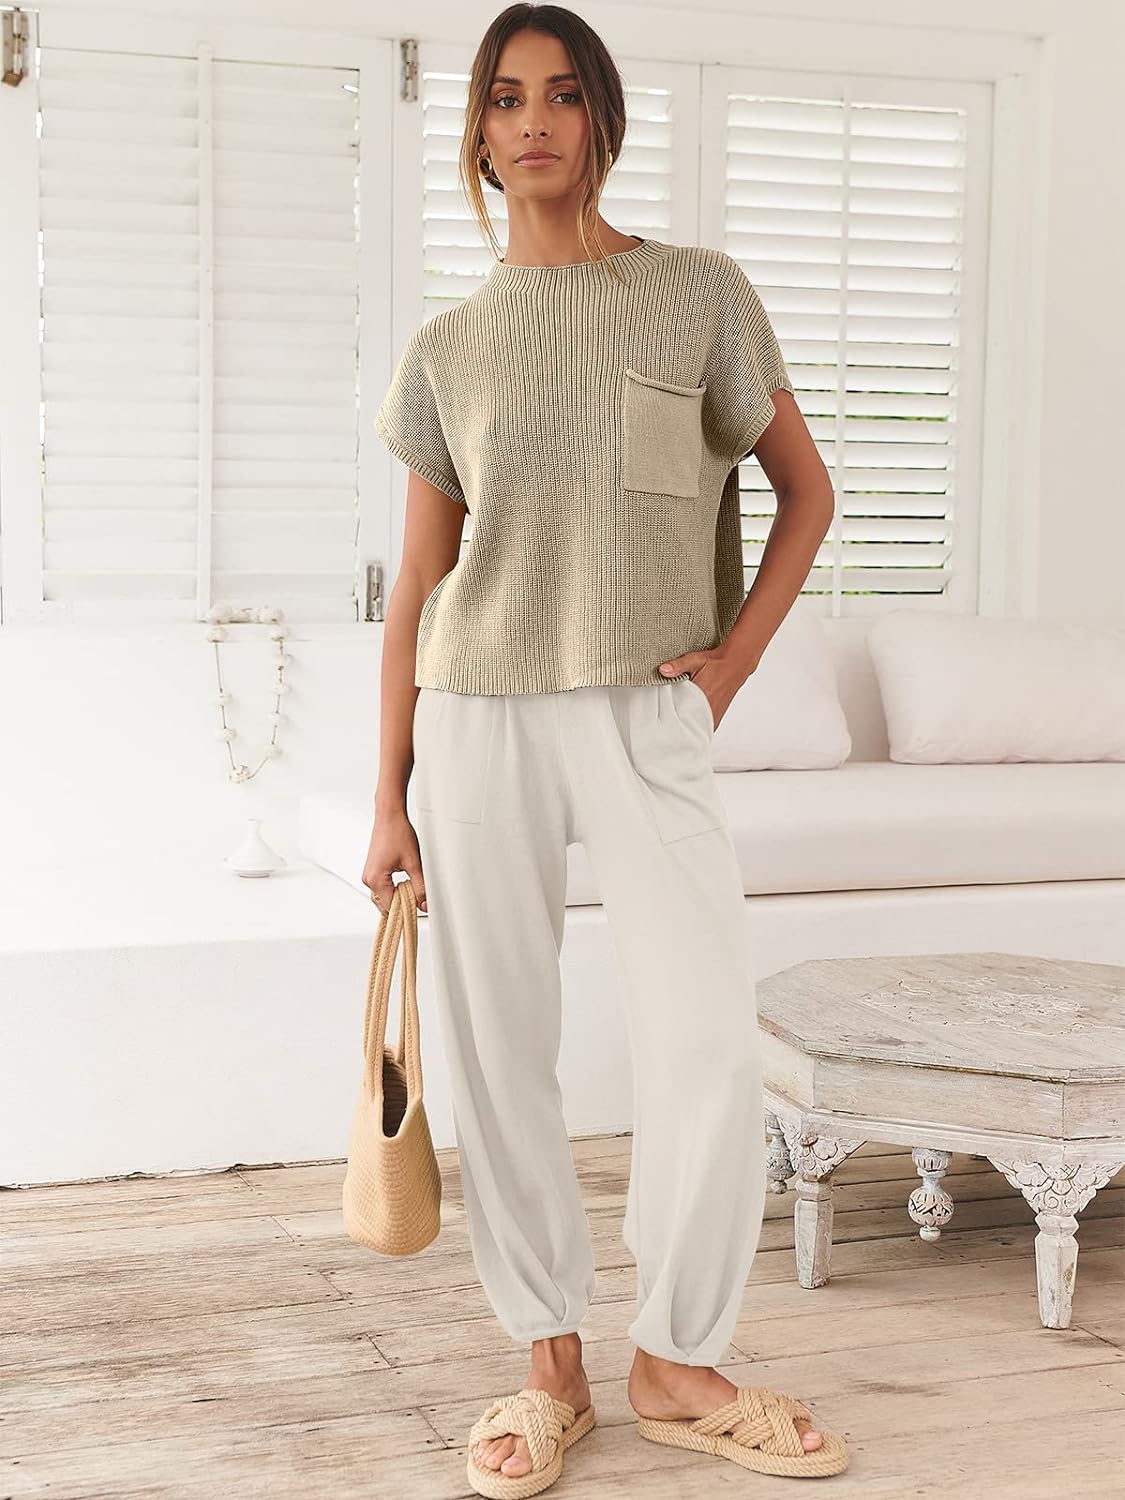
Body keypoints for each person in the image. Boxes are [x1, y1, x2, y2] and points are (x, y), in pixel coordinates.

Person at [363, 4, 846, 1491]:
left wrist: (731, 667)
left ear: (601, 120)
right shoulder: (448, 350)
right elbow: (419, 587)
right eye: (507, 98)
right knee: (501, 1045)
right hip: (479, 715)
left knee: (703, 1037)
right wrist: (386, 797)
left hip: (646, 707)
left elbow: (807, 493)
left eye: (563, 94)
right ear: (478, 135)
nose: (534, 121)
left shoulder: (696, 295)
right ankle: (547, 1364)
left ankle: (677, 1358)